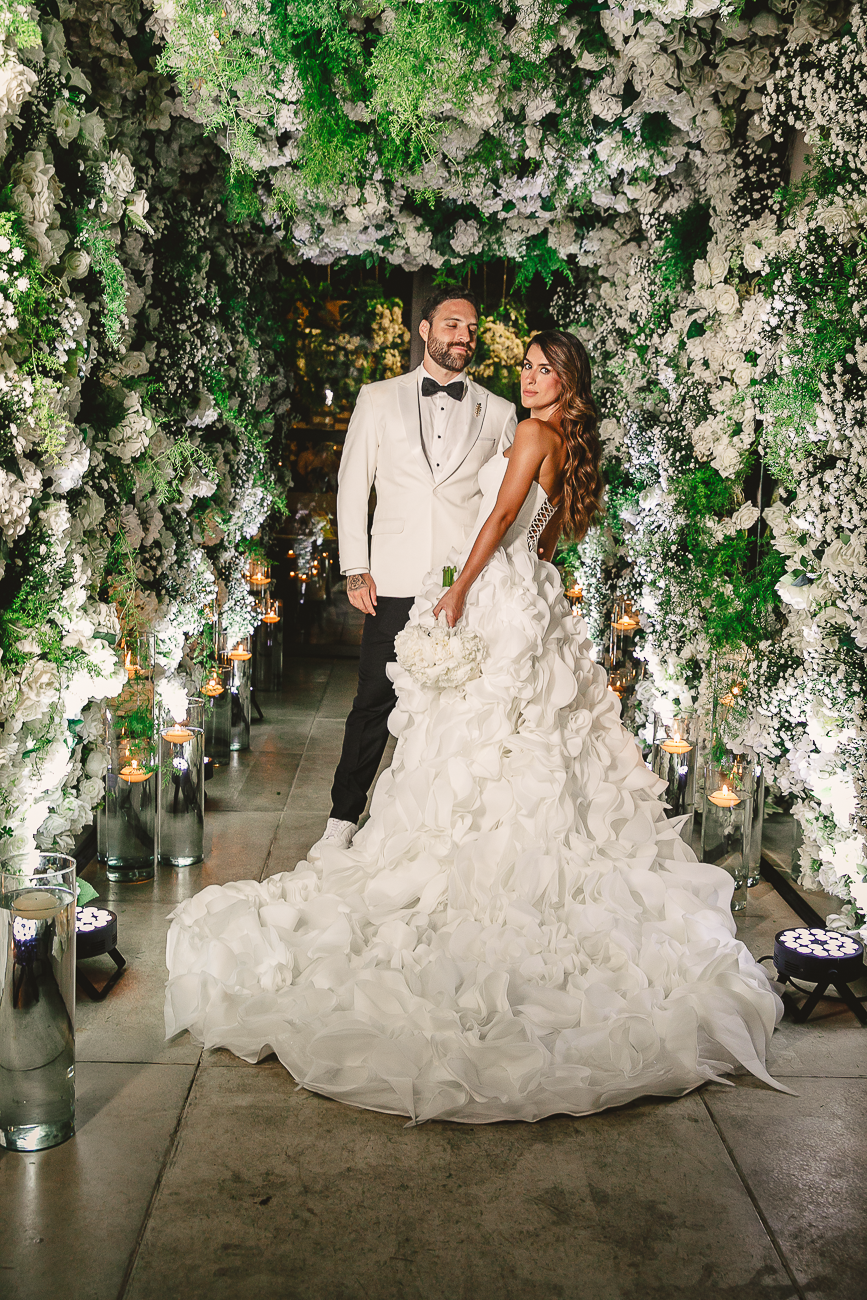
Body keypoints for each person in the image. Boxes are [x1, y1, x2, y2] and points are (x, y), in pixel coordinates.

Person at [165, 329, 784, 1124]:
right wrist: (514, 577)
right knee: (534, 736)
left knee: (481, 739)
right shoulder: (565, 440)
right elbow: (548, 534)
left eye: (543, 369)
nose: (527, 378)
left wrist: (460, 593)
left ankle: (467, 864)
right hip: (533, 593)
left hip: (495, 592)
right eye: (525, 366)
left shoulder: (529, 431)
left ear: (567, 380)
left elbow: (496, 518)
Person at [308, 284, 517, 858]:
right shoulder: (377, 399)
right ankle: (342, 819)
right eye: (452, 325)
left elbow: (505, 506)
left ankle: (442, 831)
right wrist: (356, 568)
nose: (463, 337)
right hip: (394, 580)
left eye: (471, 329)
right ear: (424, 331)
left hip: (459, 586)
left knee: (455, 709)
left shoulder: (498, 412)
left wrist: (489, 580)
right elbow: (354, 485)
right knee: (373, 702)